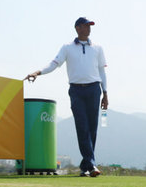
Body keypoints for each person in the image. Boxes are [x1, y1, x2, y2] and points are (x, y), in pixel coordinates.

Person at [25, 17, 108, 177]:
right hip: (76, 90)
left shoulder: (98, 48)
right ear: (78, 28)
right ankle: (91, 165)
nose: (89, 28)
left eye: (90, 26)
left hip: (94, 89)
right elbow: (54, 64)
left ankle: (86, 166)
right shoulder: (67, 47)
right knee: (82, 127)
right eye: (85, 26)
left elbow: (102, 72)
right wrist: (38, 72)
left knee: (92, 129)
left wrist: (105, 93)